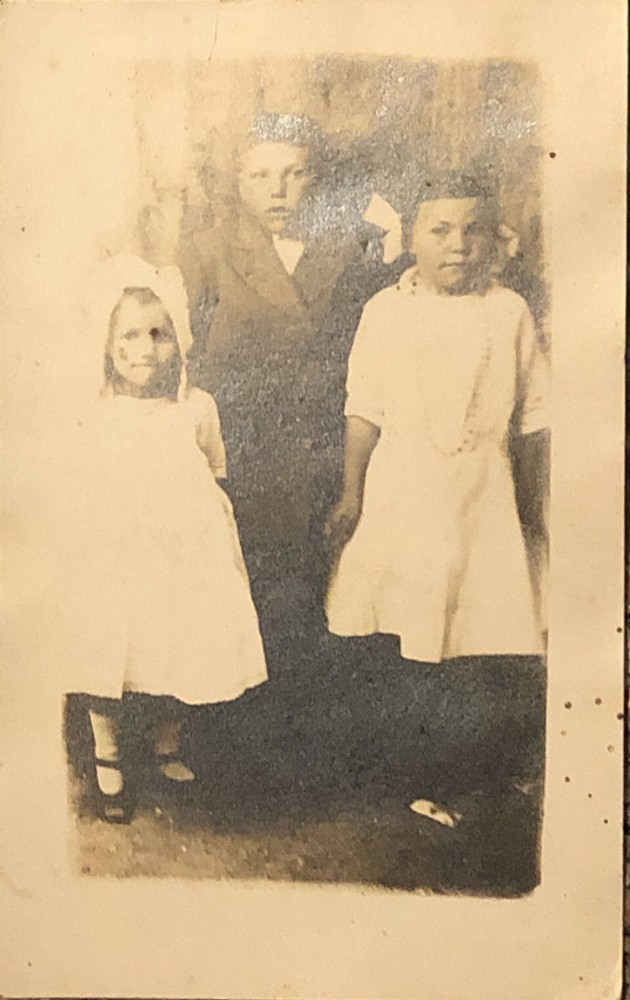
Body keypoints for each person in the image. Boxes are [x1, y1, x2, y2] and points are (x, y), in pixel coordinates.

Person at [178, 113, 411, 797]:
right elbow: (184, 361)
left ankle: (312, 767)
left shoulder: (353, 247)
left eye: (294, 173)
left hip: (326, 455)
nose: (277, 189)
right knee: (243, 599)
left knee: (319, 603)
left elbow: (381, 348)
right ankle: (238, 767)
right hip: (238, 460)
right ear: (238, 182)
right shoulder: (205, 252)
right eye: (260, 174)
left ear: (316, 178)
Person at [325, 174, 549, 816]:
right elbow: (364, 409)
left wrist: (536, 502)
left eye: (473, 229)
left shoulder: (508, 311)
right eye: (441, 229)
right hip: (405, 489)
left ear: (494, 238)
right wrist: (351, 494)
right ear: (411, 237)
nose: (458, 244)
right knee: (410, 627)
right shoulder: (386, 311)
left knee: (478, 633)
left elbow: (536, 414)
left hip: (483, 492)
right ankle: (414, 776)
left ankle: (473, 770)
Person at [62, 254, 267, 823]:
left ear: (180, 341)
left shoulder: (196, 407)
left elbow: (214, 470)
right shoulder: (95, 413)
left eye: (159, 334)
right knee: (108, 650)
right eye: (129, 336)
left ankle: (167, 745)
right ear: (108, 345)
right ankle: (107, 756)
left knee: (183, 643)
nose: (145, 350)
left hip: (184, 551)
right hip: (117, 551)